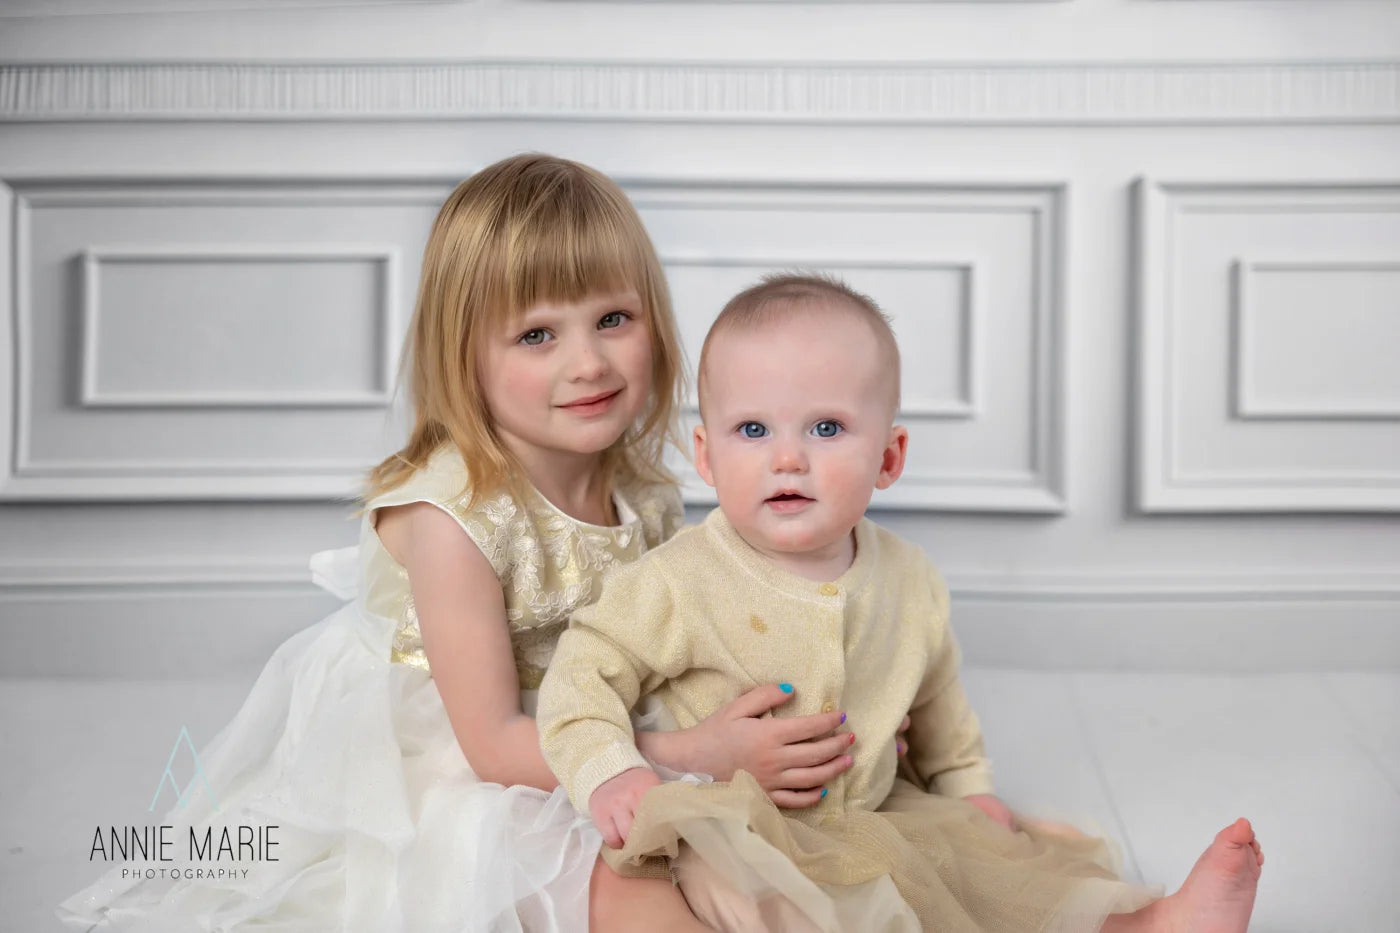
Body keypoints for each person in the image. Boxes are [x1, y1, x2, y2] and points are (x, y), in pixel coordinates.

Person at [57, 156, 862, 933]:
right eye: (537, 334)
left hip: (591, 712)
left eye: (613, 318)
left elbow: (681, 636)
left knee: (770, 868)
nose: (588, 362)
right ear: (464, 354)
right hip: (466, 754)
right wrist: (694, 751)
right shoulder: (454, 517)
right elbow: (491, 744)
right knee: (626, 884)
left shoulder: (640, 487)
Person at [537, 273, 1266, 933]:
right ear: (706, 454)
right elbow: (581, 673)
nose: (787, 458)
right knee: (769, 900)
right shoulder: (678, 579)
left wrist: (967, 787)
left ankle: (1150, 928)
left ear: (888, 456)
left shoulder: (910, 577)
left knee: (993, 881)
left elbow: (937, 696)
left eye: (825, 428)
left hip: (877, 813)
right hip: (735, 822)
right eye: (753, 430)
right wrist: (614, 768)